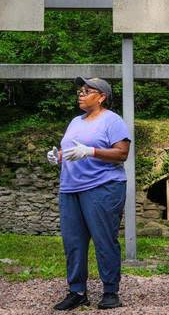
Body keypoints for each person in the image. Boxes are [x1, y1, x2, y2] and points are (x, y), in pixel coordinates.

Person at [47, 77, 131, 310]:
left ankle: (110, 292)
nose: (81, 94)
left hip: (102, 187)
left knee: (104, 240)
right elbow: (71, 150)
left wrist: (91, 151)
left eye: (87, 91)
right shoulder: (75, 121)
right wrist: (59, 156)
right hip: (70, 188)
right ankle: (77, 292)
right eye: (80, 90)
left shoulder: (112, 120)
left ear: (101, 97)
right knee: (73, 242)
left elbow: (122, 153)